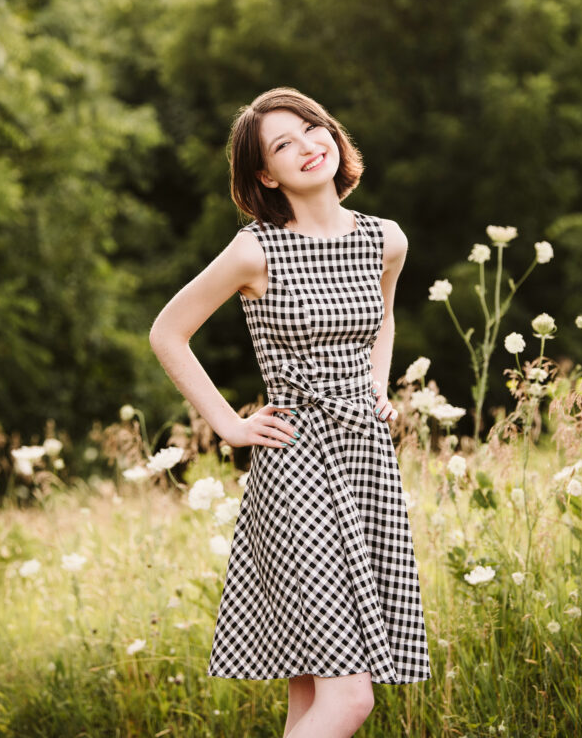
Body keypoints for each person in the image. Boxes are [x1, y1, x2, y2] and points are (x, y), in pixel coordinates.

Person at [149, 86, 431, 738]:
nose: (307, 146)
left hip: (364, 462)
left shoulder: (385, 239)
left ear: (331, 133)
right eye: (282, 144)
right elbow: (168, 332)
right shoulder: (256, 250)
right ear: (263, 174)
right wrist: (228, 424)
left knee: (309, 696)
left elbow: (381, 318)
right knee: (349, 699)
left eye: (312, 128)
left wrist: (376, 388)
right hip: (296, 467)